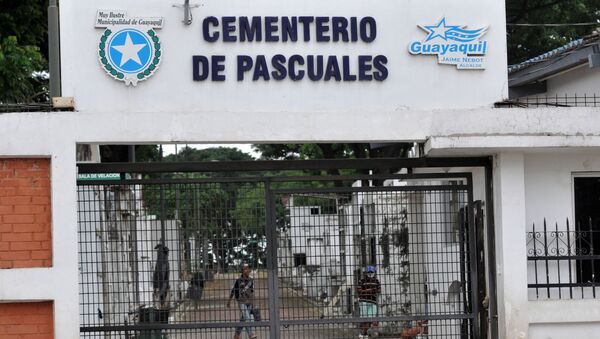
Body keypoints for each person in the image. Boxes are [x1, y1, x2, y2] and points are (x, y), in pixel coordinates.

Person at [227, 263, 258, 339]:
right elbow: (233, 291)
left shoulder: (251, 280)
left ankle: (236, 335)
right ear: (242, 270)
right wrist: (229, 301)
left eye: (248, 268)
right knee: (247, 317)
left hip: (249, 302)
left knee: (243, 319)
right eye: (245, 269)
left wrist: (253, 302)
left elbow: (252, 292)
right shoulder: (238, 280)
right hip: (242, 302)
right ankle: (250, 334)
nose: (247, 270)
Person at [356, 265, 381, 338]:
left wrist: (375, 290)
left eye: (372, 272)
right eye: (369, 272)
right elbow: (359, 290)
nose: (370, 273)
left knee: (371, 318)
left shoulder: (376, 281)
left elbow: (379, 290)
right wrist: (369, 290)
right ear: (366, 273)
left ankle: (364, 333)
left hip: (373, 302)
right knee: (364, 318)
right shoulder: (362, 280)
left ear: (374, 272)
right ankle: (364, 333)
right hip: (364, 301)